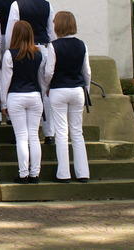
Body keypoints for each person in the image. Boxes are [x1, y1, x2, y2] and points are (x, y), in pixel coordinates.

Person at [5, 0, 56, 144]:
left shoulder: (17, 4)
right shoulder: (47, 5)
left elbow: (12, 30)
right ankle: (49, 132)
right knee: (44, 89)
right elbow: (51, 31)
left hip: (22, 49)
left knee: (19, 85)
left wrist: (10, 50)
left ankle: (17, 130)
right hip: (43, 48)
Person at [44, 11, 91, 183]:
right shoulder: (82, 45)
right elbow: (87, 71)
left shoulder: (53, 45)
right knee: (77, 132)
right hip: (77, 89)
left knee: (62, 133)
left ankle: (63, 173)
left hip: (58, 89)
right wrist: (86, 88)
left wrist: (47, 87)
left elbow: (49, 71)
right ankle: (83, 172)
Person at [0, 20, 46, 184]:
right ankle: (35, 173)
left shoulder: (9, 54)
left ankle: (23, 173)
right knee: (34, 136)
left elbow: (5, 80)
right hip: (34, 95)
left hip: (16, 95)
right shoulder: (39, 53)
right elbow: (41, 79)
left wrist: (3, 103)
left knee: (21, 137)